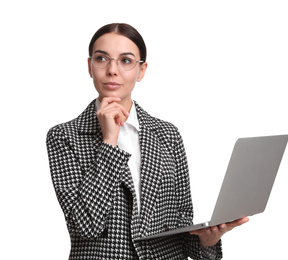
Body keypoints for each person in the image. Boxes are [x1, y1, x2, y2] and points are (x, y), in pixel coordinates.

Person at [46, 23, 248, 260]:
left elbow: (180, 222)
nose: (112, 70)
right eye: (102, 59)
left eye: (126, 60)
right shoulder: (64, 136)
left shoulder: (167, 134)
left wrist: (207, 240)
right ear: (90, 67)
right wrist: (109, 141)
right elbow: (86, 226)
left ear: (141, 71)